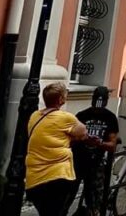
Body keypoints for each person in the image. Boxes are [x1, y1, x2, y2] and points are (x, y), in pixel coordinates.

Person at [25, 81, 89, 216]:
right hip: (57, 176)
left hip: (34, 177)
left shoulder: (34, 116)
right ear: (60, 99)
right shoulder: (65, 118)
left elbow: (47, 134)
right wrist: (72, 138)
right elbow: (83, 132)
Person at [72, 86, 119, 216]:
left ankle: (92, 210)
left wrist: (100, 143)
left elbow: (112, 145)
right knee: (71, 193)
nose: (98, 106)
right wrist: (82, 139)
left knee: (94, 197)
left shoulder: (110, 118)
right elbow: (72, 138)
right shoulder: (82, 115)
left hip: (97, 161)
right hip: (79, 160)